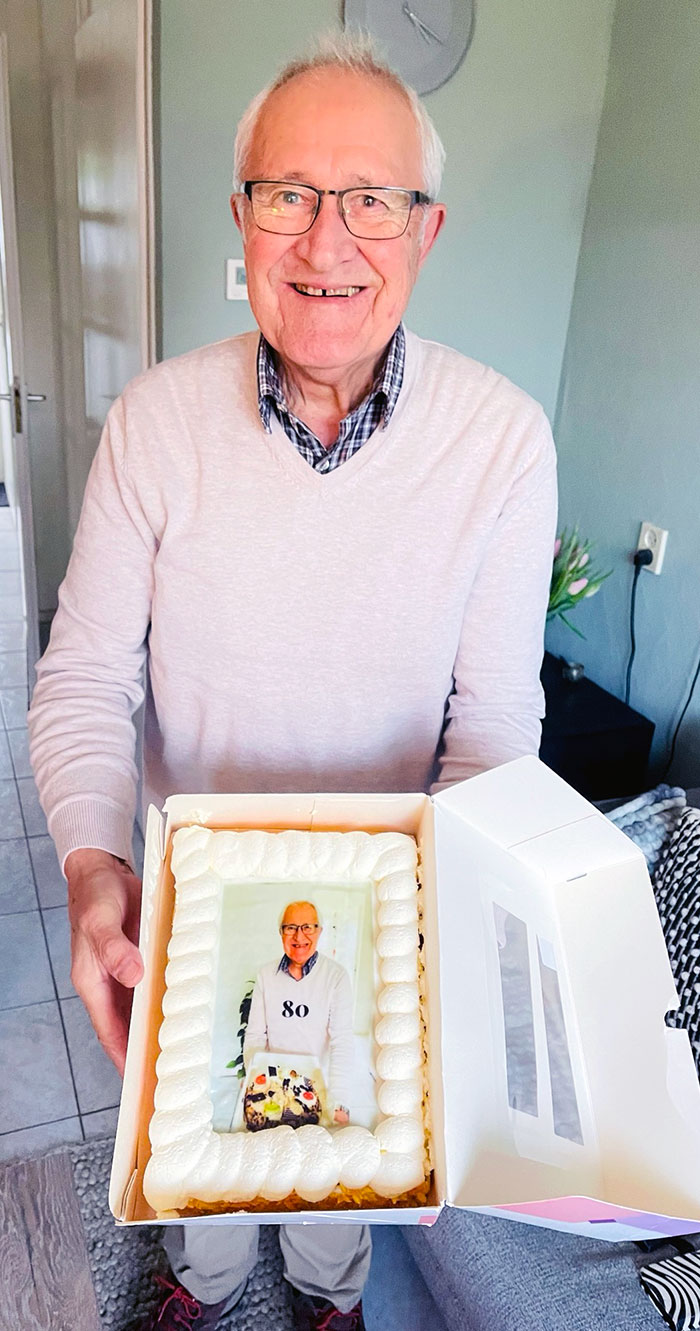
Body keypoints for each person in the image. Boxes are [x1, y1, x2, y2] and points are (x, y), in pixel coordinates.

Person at [28, 32, 557, 1331]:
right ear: (243, 216)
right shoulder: (154, 422)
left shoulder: (502, 443)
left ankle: (328, 1296)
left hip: (381, 912)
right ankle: (201, 1282)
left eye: (371, 199)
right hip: (196, 906)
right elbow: (84, 676)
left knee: (336, 1173)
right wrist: (98, 872)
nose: (329, 242)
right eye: (289, 195)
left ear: (425, 231)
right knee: (209, 1150)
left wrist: (459, 944)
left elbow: (490, 725)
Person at [243, 901, 354, 1125]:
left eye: (308, 927)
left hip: (314, 1089)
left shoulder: (336, 976)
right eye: (290, 928)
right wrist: (255, 1082)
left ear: (319, 931)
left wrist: (338, 1100)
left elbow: (341, 1041)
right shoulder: (265, 975)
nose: (299, 936)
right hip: (273, 1085)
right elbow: (255, 1036)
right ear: (281, 933)